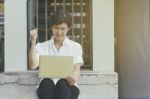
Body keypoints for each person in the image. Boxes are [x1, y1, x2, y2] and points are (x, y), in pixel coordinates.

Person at [29, 9, 83, 99]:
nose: (59, 32)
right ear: (51, 27)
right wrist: (33, 41)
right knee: (46, 81)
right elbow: (33, 65)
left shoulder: (76, 47)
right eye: (56, 28)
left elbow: (76, 69)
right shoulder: (41, 46)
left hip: (68, 87)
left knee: (62, 84)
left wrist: (74, 77)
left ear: (68, 29)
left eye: (63, 29)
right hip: (47, 88)